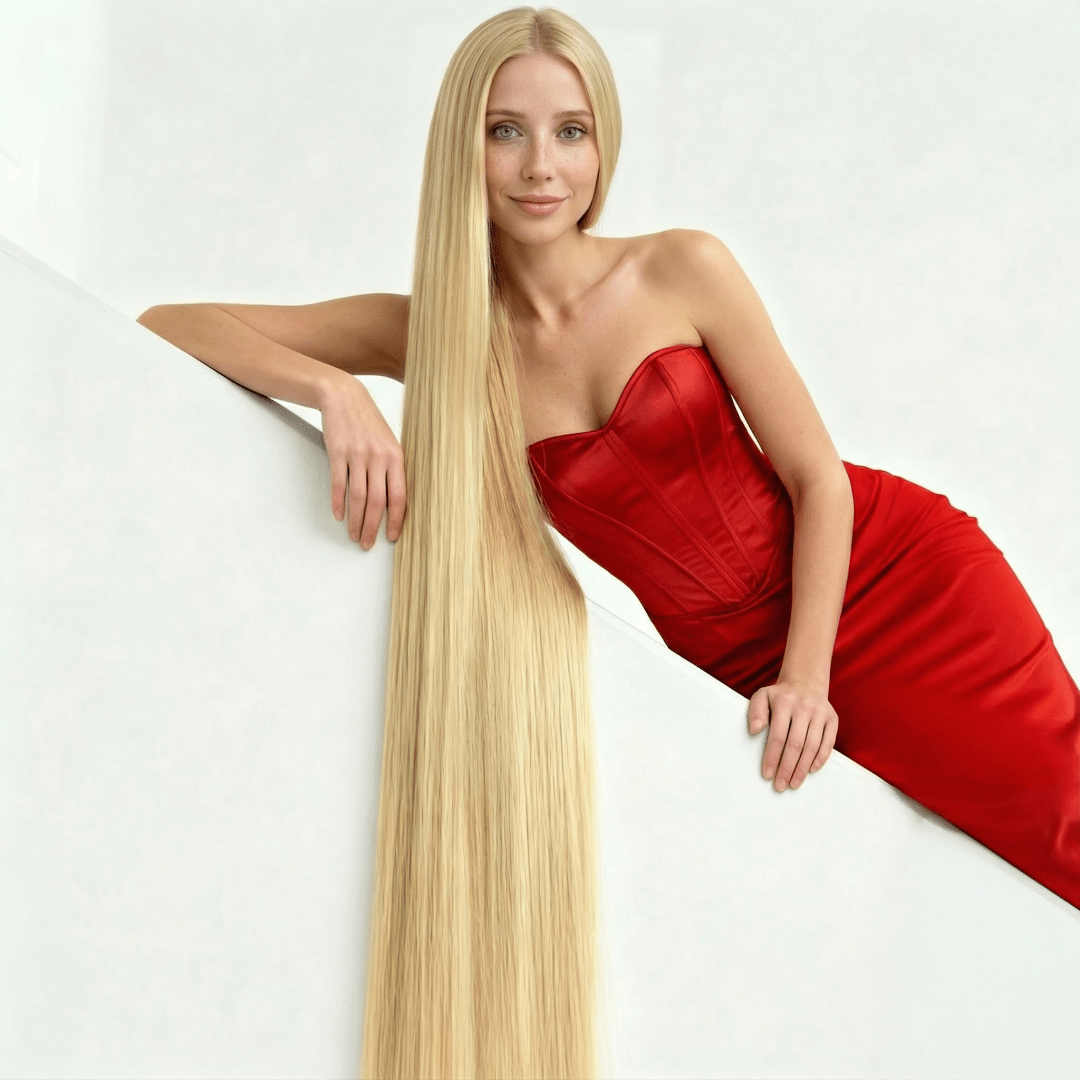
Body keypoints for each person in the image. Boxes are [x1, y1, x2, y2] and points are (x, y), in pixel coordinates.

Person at [136, 7, 1080, 1079]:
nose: (542, 166)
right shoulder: (438, 334)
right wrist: (332, 387)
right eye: (506, 132)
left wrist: (806, 678)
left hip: (890, 583)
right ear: (462, 146)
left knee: (1060, 824)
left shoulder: (682, 267)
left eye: (571, 132)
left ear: (603, 145)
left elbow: (818, 477)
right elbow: (170, 319)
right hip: (725, 671)